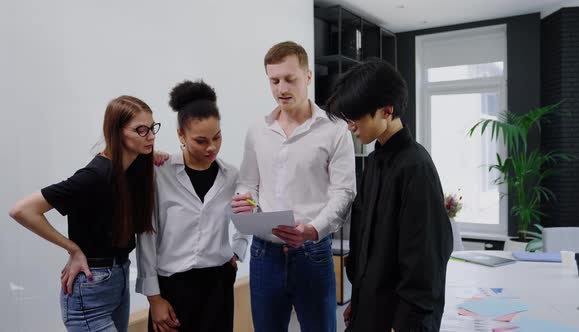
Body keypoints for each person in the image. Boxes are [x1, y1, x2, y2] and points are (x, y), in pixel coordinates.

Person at [231, 41, 356, 332]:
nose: (281, 89)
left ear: (308, 76)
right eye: (274, 81)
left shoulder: (335, 129)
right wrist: (243, 199)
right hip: (264, 255)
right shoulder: (257, 131)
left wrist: (314, 229)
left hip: (313, 253)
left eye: (290, 79)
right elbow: (248, 182)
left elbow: (344, 192)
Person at [9, 96, 159, 332]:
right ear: (117, 132)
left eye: (152, 128)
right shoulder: (95, 175)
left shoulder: (131, 169)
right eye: (141, 130)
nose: (150, 136)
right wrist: (73, 248)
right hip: (90, 290)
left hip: (117, 281)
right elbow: (22, 210)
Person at [324, 59, 453, 332]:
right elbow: (365, 247)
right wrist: (357, 301)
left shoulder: (416, 167)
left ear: (386, 111)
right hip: (367, 312)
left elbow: (425, 266)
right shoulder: (373, 163)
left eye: (355, 118)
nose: (350, 127)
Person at [136, 80, 248, 332]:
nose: (212, 147)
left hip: (218, 285)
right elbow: (146, 235)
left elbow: (246, 212)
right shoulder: (159, 173)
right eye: (200, 141)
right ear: (180, 135)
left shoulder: (231, 175)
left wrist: (238, 249)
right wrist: (154, 298)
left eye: (217, 137)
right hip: (173, 288)